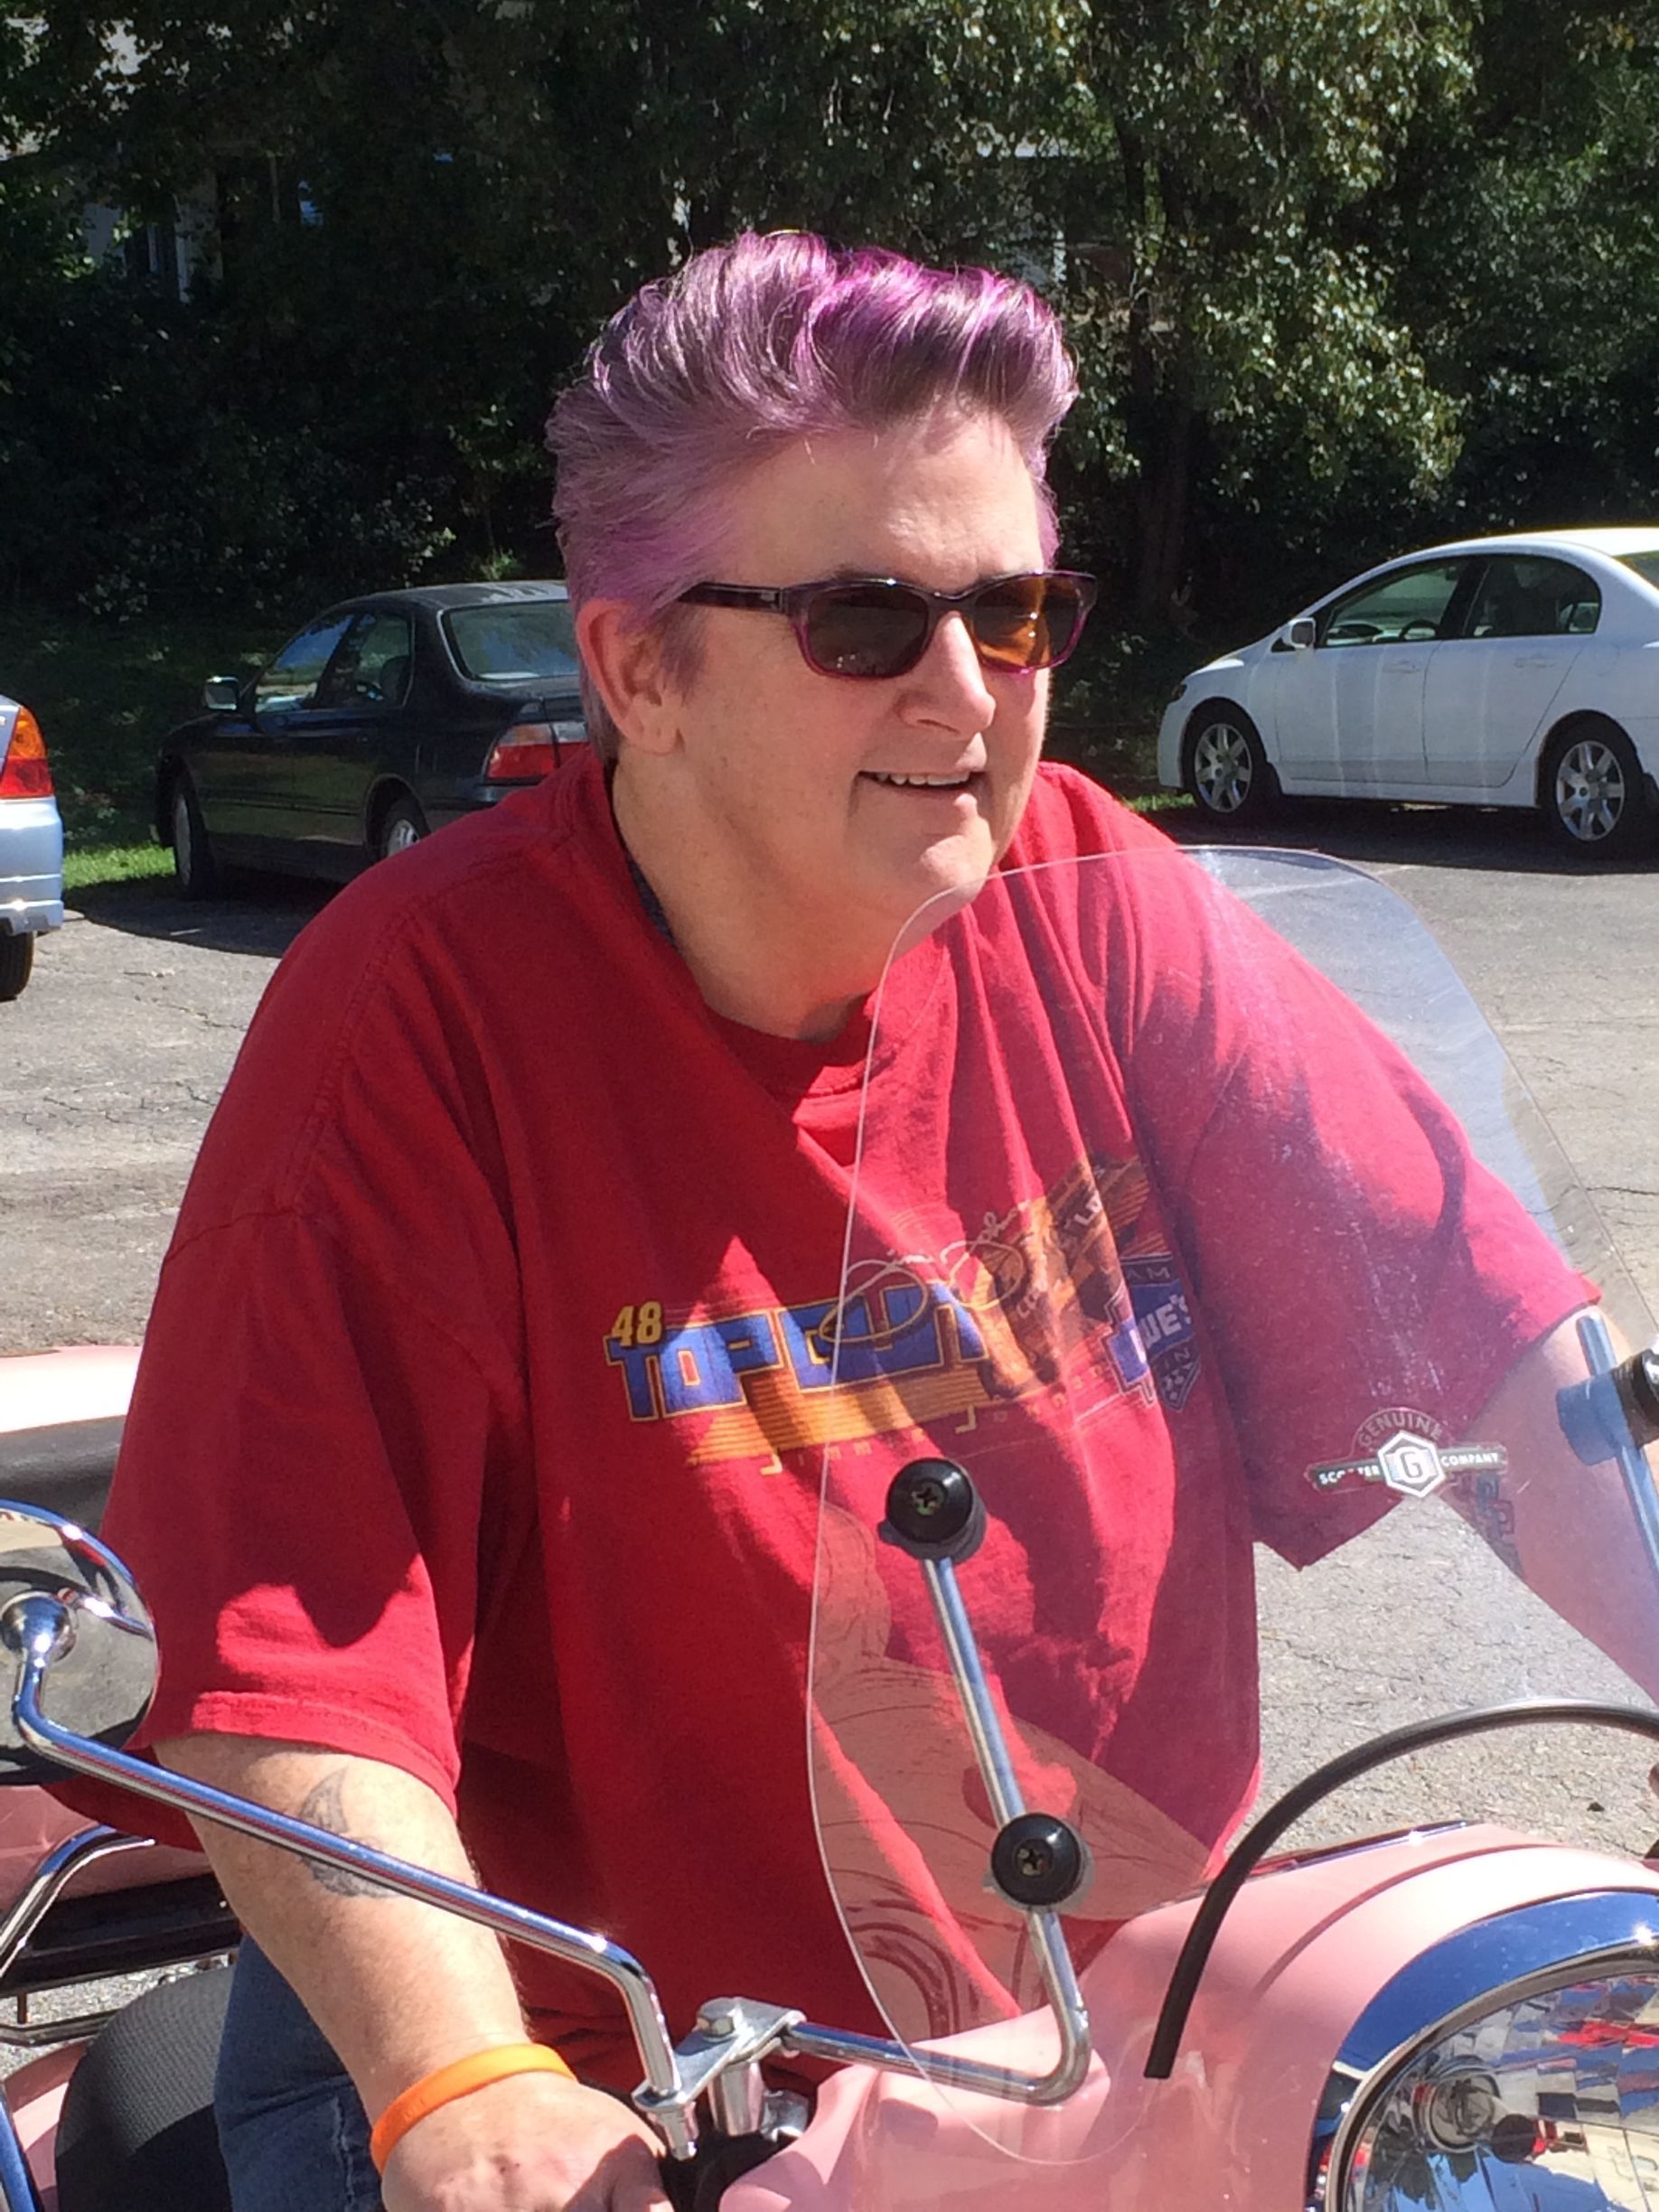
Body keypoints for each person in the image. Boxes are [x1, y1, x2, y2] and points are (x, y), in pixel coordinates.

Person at [56, 231, 1634, 2212]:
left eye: (1017, 612)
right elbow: (291, 1664)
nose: (968, 694)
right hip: (625, 2088)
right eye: (866, 621)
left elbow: (1486, 1344)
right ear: (642, 670)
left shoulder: (1102, 904)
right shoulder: (424, 1012)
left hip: (1106, 2055)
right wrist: (459, 2079)